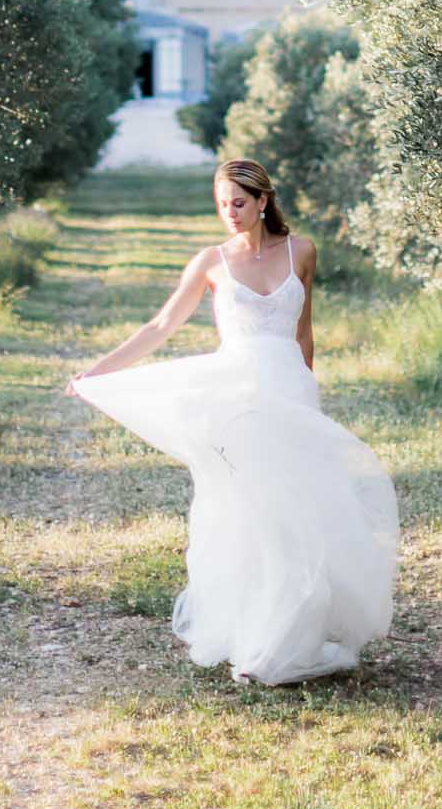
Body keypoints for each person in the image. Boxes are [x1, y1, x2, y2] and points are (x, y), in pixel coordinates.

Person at [67, 156, 398, 686]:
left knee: (301, 516)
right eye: (222, 204)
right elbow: (159, 325)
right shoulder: (210, 261)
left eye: (239, 203)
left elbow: (304, 331)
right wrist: (97, 372)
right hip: (236, 405)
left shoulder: (303, 252)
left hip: (289, 398)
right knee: (251, 516)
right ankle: (258, 641)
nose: (230, 213)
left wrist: (307, 394)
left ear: (263, 201)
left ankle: (297, 632)